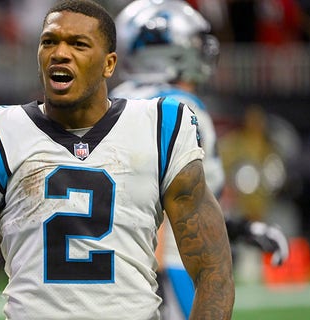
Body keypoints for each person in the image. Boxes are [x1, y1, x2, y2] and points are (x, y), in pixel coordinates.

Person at [0, 0, 235, 319]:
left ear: (110, 64)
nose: (60, 53)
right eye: (49, 41)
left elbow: (213, 271)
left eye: (78, 44)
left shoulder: (163, 124)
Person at [111, 1, 289, 318]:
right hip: (164, 271)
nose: (201, 51)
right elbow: (168, 204)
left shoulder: (111, 102)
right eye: (191, 42)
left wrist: (241, 229)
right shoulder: (179, 109)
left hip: (107, 272)